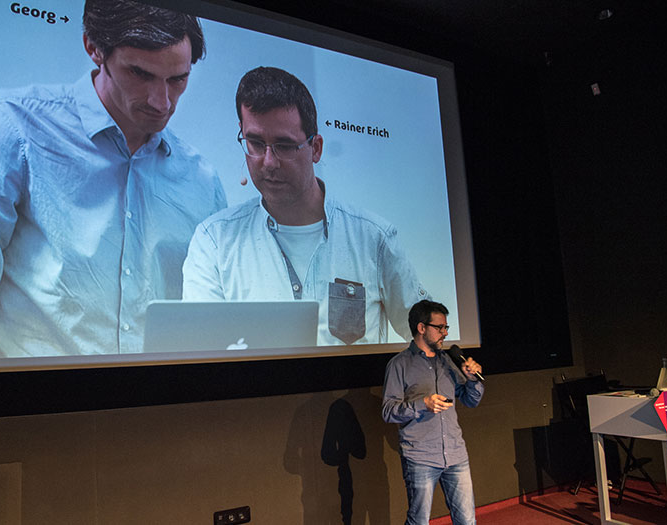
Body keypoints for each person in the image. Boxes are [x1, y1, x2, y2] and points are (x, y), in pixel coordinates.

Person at [0, 1, 226, 359]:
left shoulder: (202, 181)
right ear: (94, 48)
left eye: (177, 80)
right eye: (140, 74)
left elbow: (214, 323)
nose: (162, 102)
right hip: (27, 411)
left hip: (161, 409)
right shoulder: (7, 129)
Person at [182, 66, 426, 345]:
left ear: (316, 148)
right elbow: (200, 351)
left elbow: (428, 337)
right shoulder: (213, 241)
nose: (269, 162)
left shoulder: (374, 238)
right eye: (255, 143)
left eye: (285, 146)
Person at [382, 300, 484, 524]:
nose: (445, 333)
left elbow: (471, 400)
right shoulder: (399, 365)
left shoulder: (448, 361)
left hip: (456, 454)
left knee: (467, 521)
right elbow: (388, 411)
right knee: (419, 520)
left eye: (446, 328)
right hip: (420, 457)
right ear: (421, 328)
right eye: (440, 328)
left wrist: (472, 379)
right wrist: (422, 404)